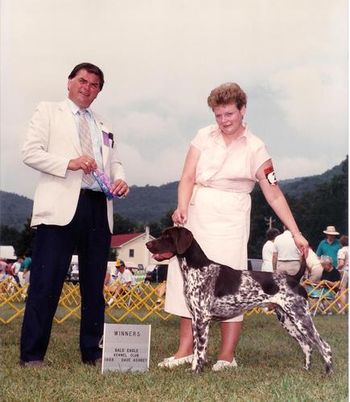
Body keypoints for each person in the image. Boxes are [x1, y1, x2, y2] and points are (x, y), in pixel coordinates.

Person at [161, 82, 309, 371]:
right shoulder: (203, 136)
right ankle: (185, 351)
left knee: (233, 284)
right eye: (218, 115)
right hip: (197, 212)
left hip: (231, 216)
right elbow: (187, 176)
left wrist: (296, 232)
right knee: (187, 283)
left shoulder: (256, 147)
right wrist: (182, 206)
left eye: (229, 114)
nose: (223, 121)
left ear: (243, 110)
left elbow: (274, 193)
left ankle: (226, 356)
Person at [20, 62, 129, 368]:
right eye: (82, 81)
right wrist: (70, 162)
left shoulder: (104, 125)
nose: (87, 88)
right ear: (69, 82)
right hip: (58, 209)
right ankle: (32, 355)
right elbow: (30, 152)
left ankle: (93, 353)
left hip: (98, 208)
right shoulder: (47, 111)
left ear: (98, 92)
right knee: (46, 283)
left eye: (94, 85)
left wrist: (120, 179)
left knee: (94, 288)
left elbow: (115, 163)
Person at [337, 235, 348, 307]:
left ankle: (342, 309)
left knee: (342, 290)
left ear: (341, 243)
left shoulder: (342, 250)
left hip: (345, 271)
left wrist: (336, 269)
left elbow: (341, 263)